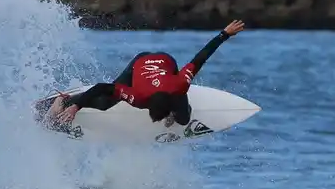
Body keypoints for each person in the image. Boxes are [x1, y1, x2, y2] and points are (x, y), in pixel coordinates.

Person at [44, 20, 246, 128]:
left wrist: (225, 34)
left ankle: (177, 114)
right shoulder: (137, 97)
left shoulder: (180, 84)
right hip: (138, 66)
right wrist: (76, 106)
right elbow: (101, 88)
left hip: (165, 62)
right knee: (105, 103)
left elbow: (201, 58)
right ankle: (65, 101)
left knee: (184, 119)